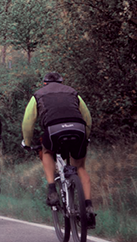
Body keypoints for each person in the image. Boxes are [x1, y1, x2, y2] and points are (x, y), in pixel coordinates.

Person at [22, 72, 96, 228]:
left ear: (44, 83)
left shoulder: (38, 95)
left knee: (47, 151)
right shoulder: (73, 92)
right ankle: (88, 207)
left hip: (53, 129)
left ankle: (51, 190)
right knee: (80, 167)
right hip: (78, 128)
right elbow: (87, 117)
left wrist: (27, 142)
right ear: (63, 82)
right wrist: (85, 137)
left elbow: (28, 122)